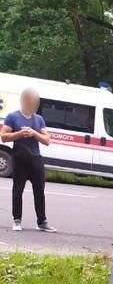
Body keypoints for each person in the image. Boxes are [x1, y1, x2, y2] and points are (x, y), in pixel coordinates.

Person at [0, 88, 56, 231]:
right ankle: (17, 220)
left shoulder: (38, 119)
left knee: (39, 191)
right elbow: (3, 137)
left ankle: (42, 222)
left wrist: (34, 133)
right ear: (24, 100)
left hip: (36, 159)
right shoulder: (13, 116)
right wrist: (20, 133)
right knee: (18, 190)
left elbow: (47, 140)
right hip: (20, 159)